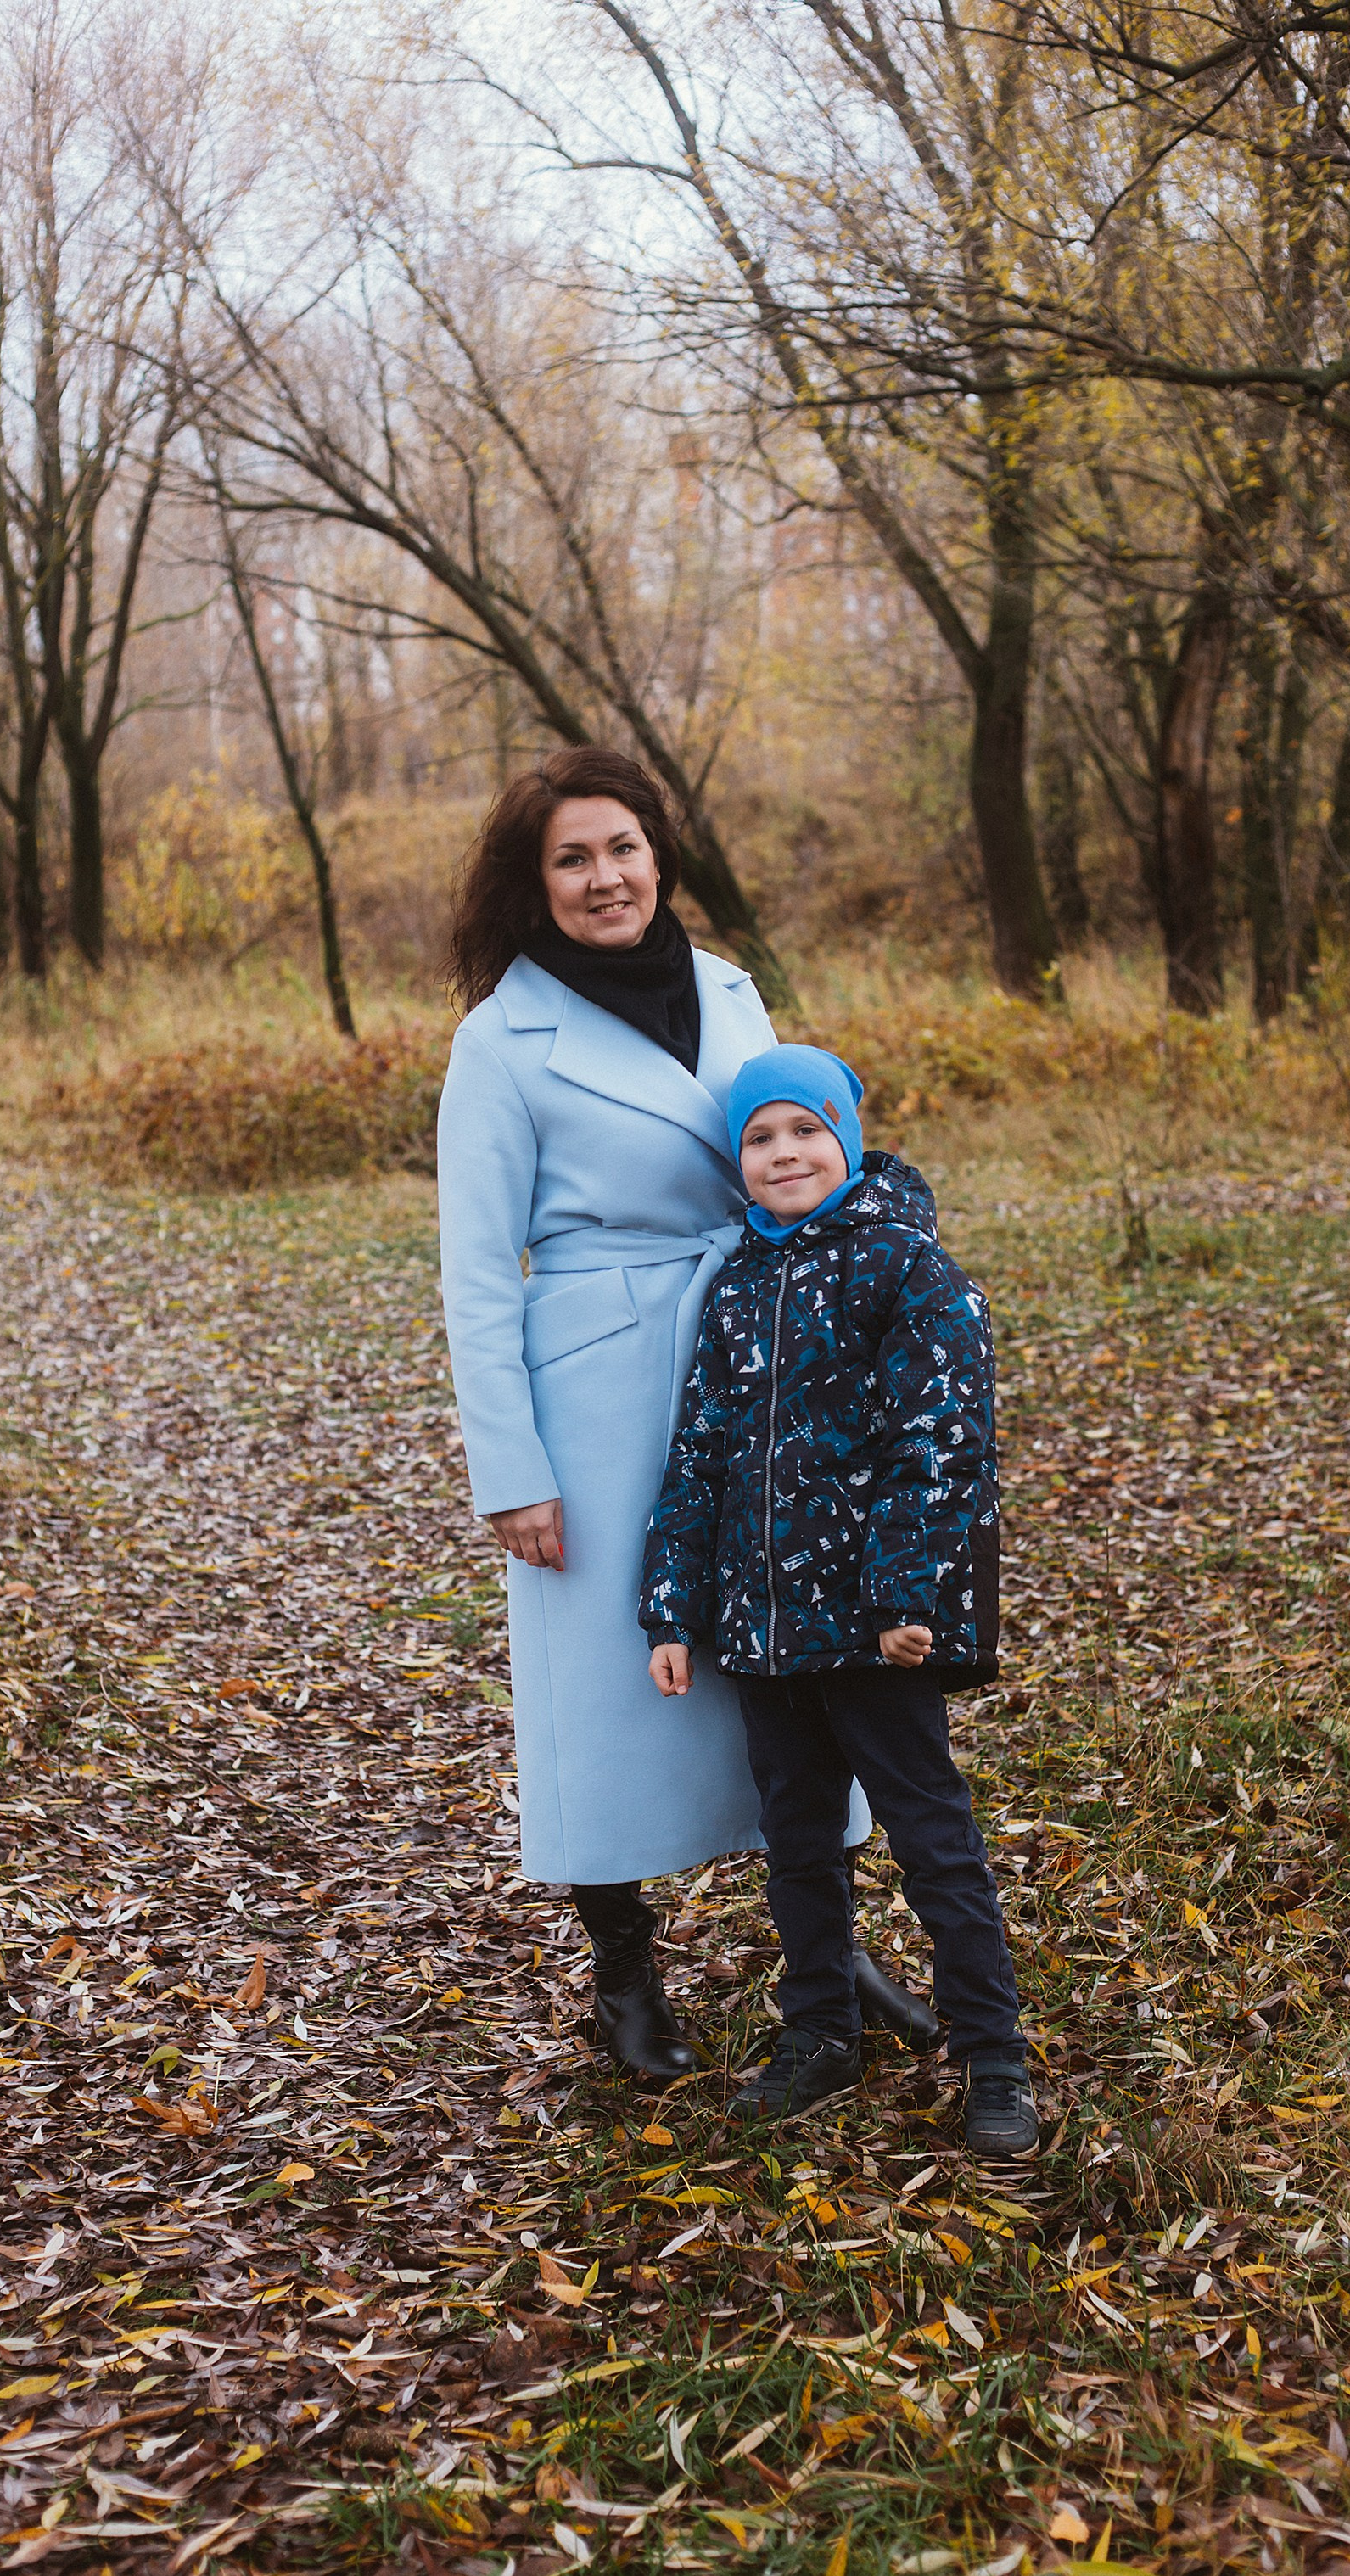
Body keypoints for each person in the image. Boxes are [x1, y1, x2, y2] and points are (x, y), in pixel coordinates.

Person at [437, 753, 901, 2087]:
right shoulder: (499, 1039)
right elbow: (475, 1271)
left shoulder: (731, 988)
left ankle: (832, 1951)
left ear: (662, 855)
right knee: (604, 1684)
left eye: (625, 849)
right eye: (573, 859)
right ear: (535, 887)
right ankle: (624, 1968)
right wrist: (507, 1470)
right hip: (599, 1384)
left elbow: (802, 1151)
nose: (607, 878)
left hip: (766, 1361)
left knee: (801, 1647)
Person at [639, 1043, 1038, 2157]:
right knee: (796, 1840)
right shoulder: (738, 1287)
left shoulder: (907, 1267)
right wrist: (673, 1608)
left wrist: (908, 1591)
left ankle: (993, 2057)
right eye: (759, 1138)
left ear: (847, 1137)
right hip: (765, 1631)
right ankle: (819, 2028)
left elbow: (944, 1441)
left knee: (931, 1838)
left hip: (875, 1630)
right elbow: (700, 1458)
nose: (783, 1153)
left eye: (805, 1130)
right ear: (737, 1160)